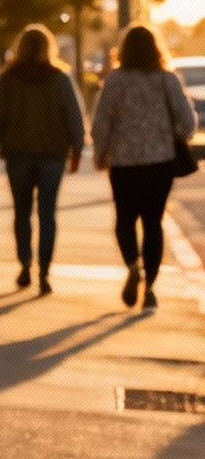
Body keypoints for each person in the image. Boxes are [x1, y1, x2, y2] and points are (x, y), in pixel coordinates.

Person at [91, 25, 198, 311]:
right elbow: (188, 124)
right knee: (153, 222)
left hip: (124, 163)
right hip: (159, 163)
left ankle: (132, 265)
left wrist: (101, 152)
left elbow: (101, 123)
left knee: (125, 218)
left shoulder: (115, 81)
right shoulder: (166, 80)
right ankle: (149, 288)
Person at [0, 25, 85, 296]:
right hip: (52, 155)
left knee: (21, 212)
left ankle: (25, 263)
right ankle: (45, 272)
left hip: (17, 155)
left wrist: (4, 135)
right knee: (47, 213)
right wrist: (77, 149)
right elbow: (74, 117)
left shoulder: (8, 79)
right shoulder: (60, 78)